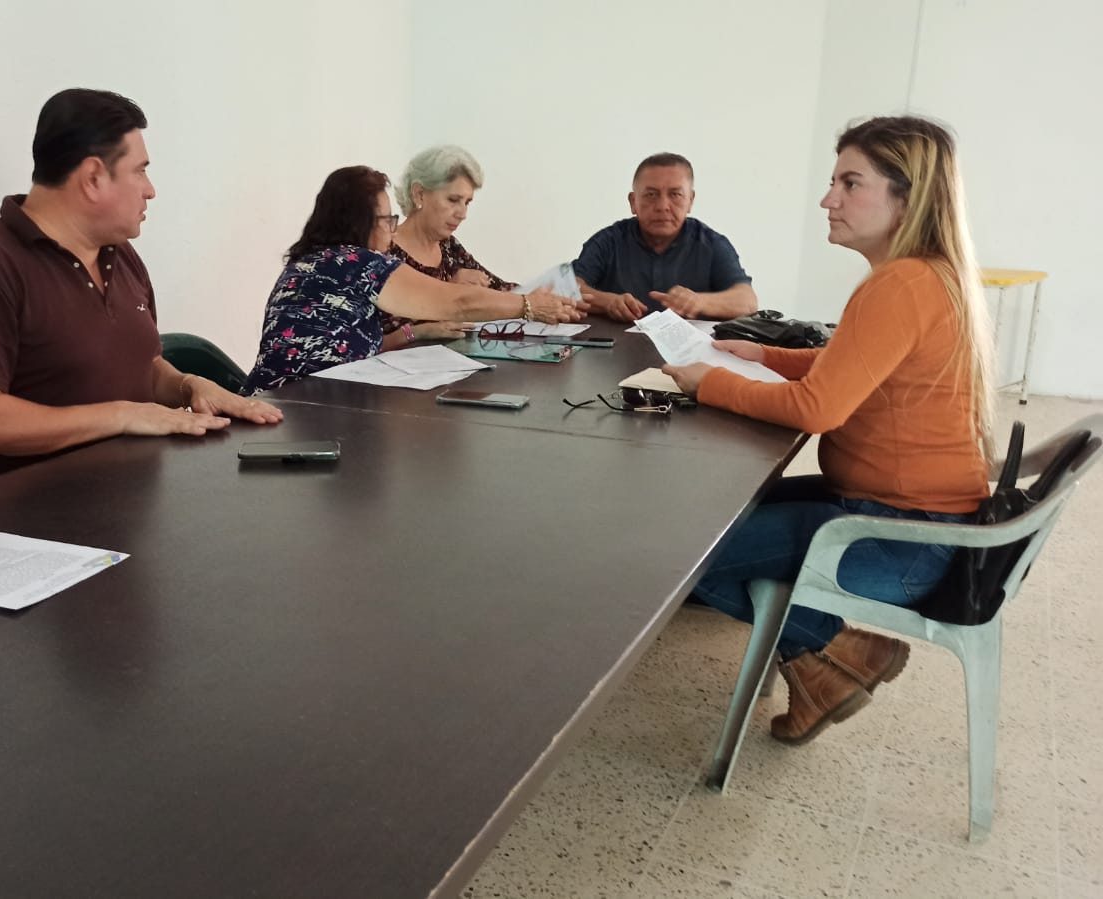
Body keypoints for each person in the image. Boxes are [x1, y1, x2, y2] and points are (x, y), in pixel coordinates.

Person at [662, 116, 996, 744]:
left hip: (902, 538)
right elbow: (860, 365)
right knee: (710, 514)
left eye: (850, 183)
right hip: (911, 517)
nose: (828, 199)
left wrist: (709, 382)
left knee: (677, 553)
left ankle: (837, 651)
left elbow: (818, 410)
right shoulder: (927, 274)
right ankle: (824, 664)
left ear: (906, 198)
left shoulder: (901, 284)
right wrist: (766, 357)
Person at [0, 88, 282, 478]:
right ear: (93, 177)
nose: (150, 190)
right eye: (140, 170)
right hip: (38, 507)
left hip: (136, 492)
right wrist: (121, 416)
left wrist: (189, 386)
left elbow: (142, 367)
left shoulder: (120, 253)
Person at [243, 166, 582, 394]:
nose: (391, 230)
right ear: (359, 222)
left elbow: (341, 346)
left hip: (276, 400)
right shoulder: (358, 263)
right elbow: (458, 302)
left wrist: (415, 333)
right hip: (304, 408)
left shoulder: (310, 261)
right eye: (386, 220)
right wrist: (528, 306)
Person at [573, 153, 758, 321]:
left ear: (690, 200)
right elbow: (566, 289)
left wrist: (699, 302)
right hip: (619, 345)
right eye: (651, 195)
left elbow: (747, 302)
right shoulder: (608, 241)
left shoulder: (711, 244)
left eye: (675, 195)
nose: (663, 206)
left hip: (691, 347)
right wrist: (607, 302)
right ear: (633, 202)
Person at [378, 145, 516, 351]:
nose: (463, 214)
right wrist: (452, 292)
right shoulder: (383, 250)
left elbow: (501, 291)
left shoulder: (449, 246)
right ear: (419, 194)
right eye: (453, 200)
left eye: (467, 202)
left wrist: (549, 296)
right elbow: (383, 330)